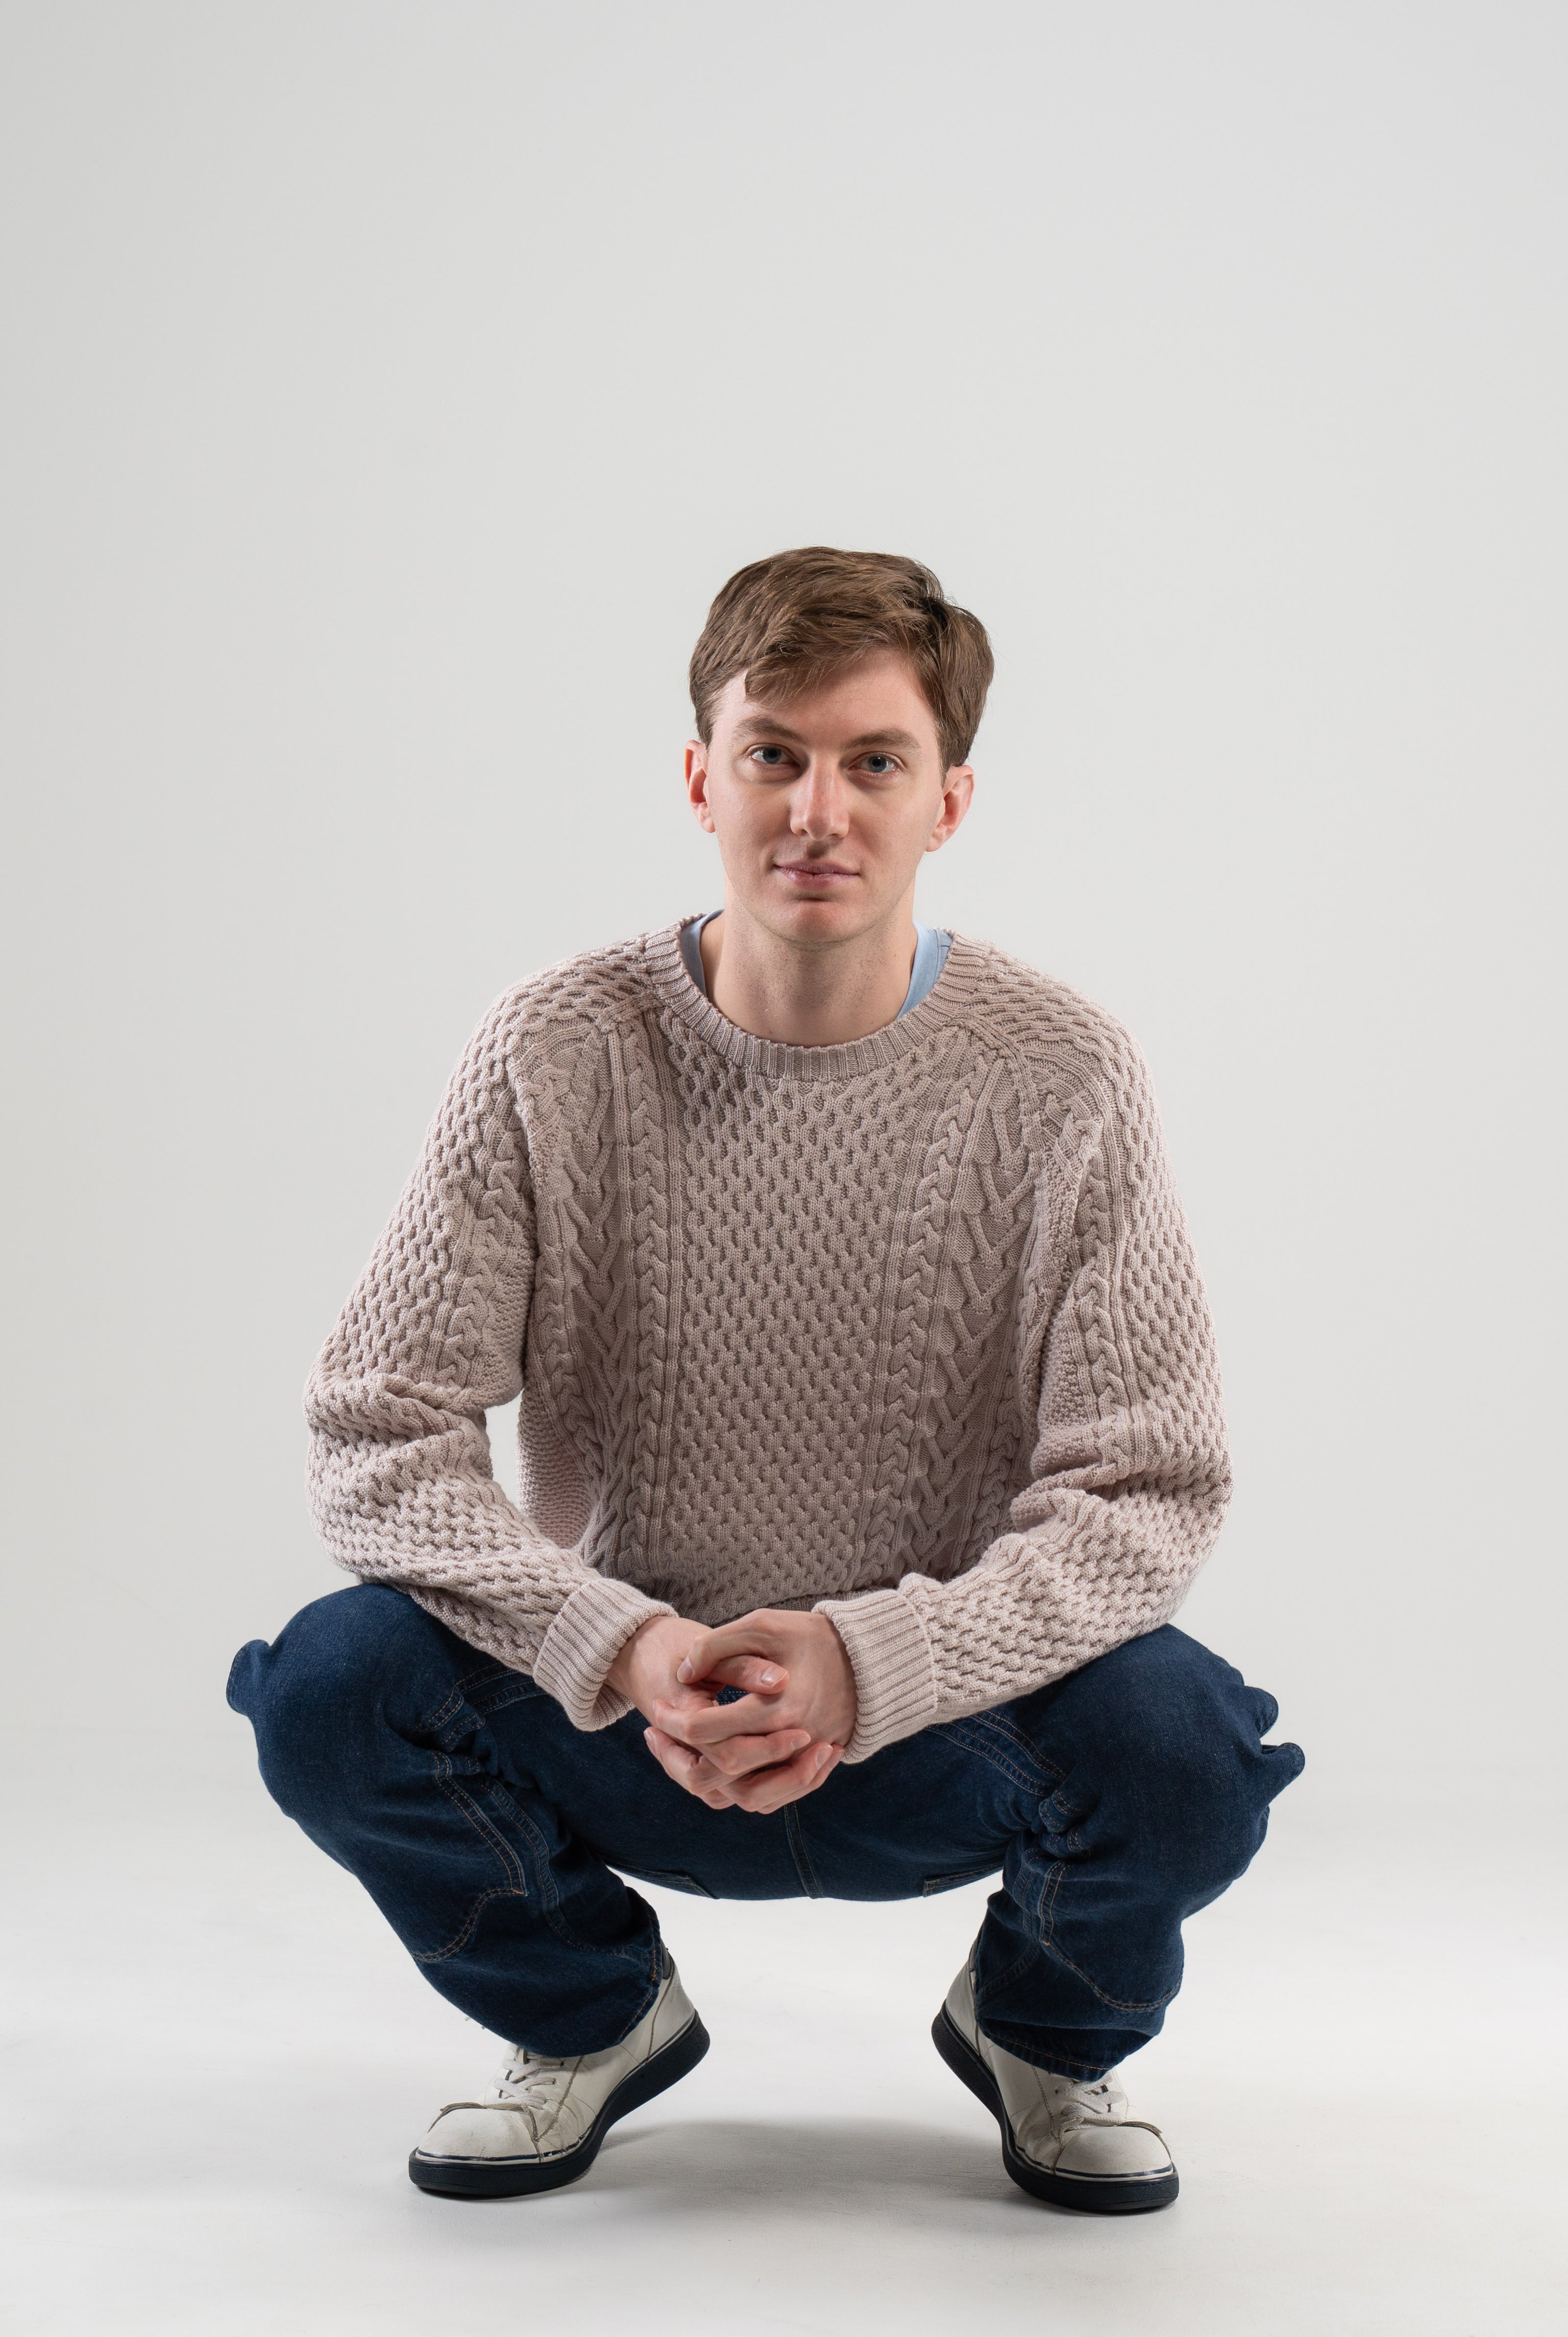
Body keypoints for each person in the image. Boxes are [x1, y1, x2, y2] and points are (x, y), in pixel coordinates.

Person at [229, 546, 1303, 2213]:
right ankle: (594, 2017)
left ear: (949, 799)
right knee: (327, 1686)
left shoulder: (1066, 1070)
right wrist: (624, 1643)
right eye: (773, 754)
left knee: (1184, 1743)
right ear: (698, 778)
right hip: (629, 1716)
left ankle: (1040, 2035)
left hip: (946, 1725)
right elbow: (382, 1438)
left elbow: (1147, 1488)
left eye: (874, 761)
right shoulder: (553, 1045)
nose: (819, 808)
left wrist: (875, 1661)